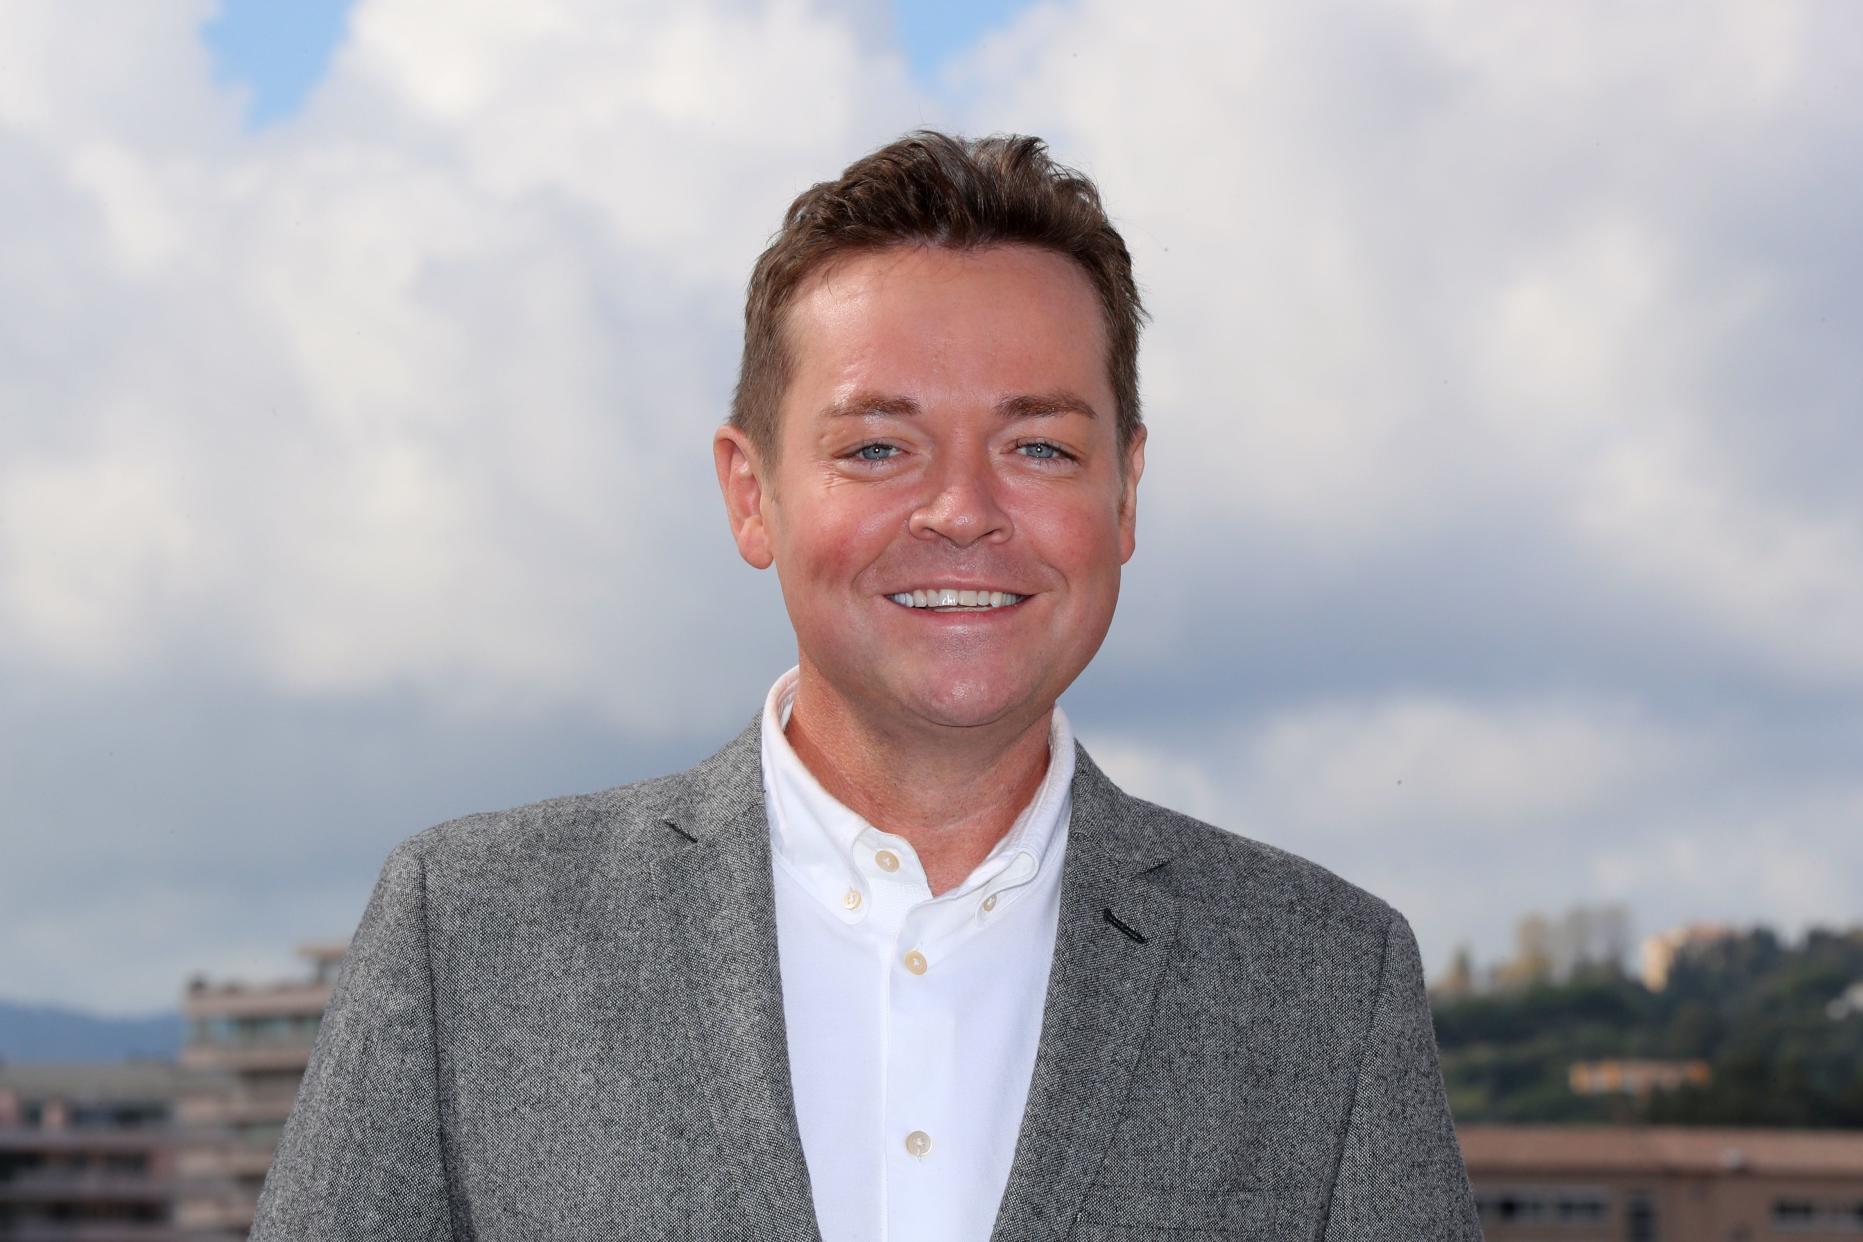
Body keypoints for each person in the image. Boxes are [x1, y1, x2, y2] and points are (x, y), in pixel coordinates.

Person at [251, 131, 1481, 1241]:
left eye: (1039, 446)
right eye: (879, 448)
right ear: (751, 493)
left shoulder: (1328, 981)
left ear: (1127, 495)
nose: (961, 512)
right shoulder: (470, 938)